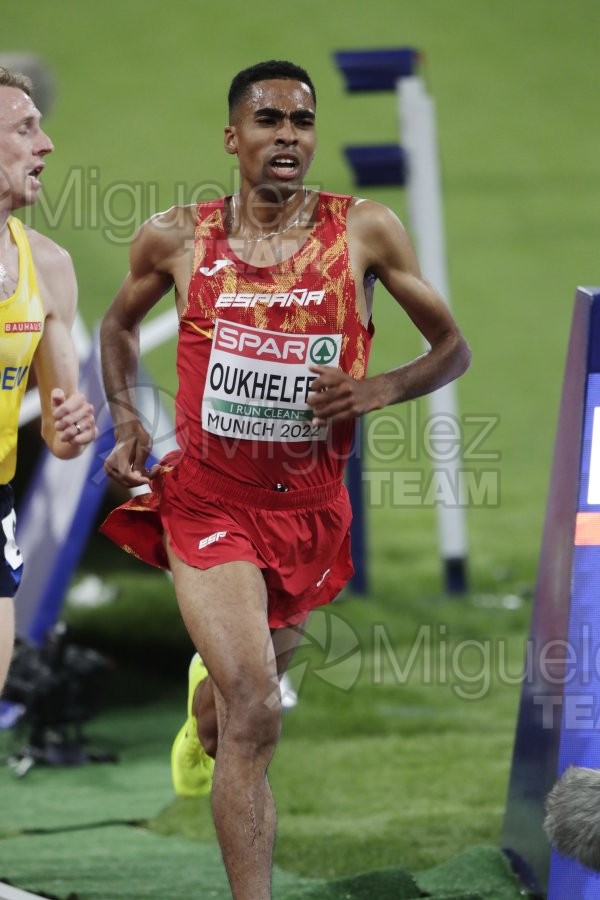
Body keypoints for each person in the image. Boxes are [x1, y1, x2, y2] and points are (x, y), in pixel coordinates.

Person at [100, 59, 471, 900]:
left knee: (229, 714)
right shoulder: (177, 238)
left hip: (309, 513)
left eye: (302, 122)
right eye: (269, 121)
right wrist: (129, 418)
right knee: (260, 711)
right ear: (233, 137)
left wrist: (377, 387)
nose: (288, 137)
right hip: (208, 501)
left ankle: (200, 722)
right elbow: (118, 327)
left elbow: (453, 347)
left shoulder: (366, 231)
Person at [0, 67, 97, 694]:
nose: (47, 144)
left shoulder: (49, 267)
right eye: (24, 128)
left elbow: (65, 430)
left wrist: (75, 428)